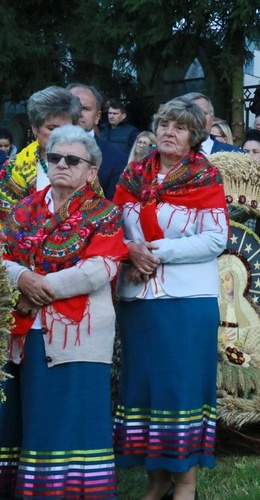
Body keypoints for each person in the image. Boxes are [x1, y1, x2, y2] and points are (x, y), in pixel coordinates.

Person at [0, 125, 127, 499]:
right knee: (30, 421)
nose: (61, 165)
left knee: (70, 421)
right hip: (21, 331)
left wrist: (39, 290)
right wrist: (21, 276)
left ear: (91, 171)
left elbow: (101, 268)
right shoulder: (24, 210)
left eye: (72, 159)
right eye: (54, 158)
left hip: (77, 335)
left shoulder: (104, 213)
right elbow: (3, 257)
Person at [112, 97, 228, 500]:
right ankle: (156, 480)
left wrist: (153, 251)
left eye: (179, 127)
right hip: (139, 299)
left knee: (180, 388)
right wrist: (130, 249)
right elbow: (113, 227)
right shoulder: (132, 175)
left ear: (194, 136)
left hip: (186, 300)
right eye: (164, 123)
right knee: (145, 388)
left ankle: (185, 483)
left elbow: (216, 238)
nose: (168, 132)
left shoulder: (205, 175)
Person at [0, 86, 81, 227]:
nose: (60, 135)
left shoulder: (84, 164)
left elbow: (97, 213)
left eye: (67, 128)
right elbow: (5, 222)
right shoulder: (14, 167)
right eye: (52, 128)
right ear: (35, 128)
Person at [68, 83, 129, 200]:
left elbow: (114, 210)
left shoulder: (116, 159)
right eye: (72, 107)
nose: (79, 113)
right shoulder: (36, 154)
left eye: (85, 108)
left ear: (97, 117)